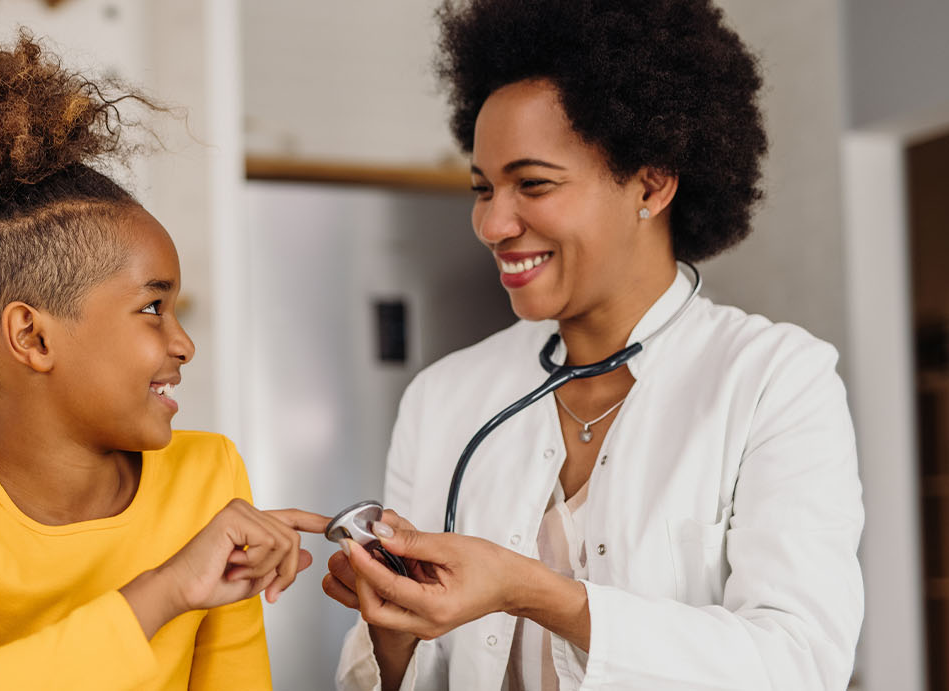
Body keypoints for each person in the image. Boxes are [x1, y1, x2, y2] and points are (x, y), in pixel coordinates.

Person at [321, 1, 864, 689]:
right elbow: (394, 677)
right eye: (483, 188)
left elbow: (798, 662)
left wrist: (534, 591)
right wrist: (391, 633)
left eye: (534, 184)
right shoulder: (444, 396)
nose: (492, 222)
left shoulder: (774, 380)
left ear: (652, 182)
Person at [0, 24, 329, 690]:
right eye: (152, 307)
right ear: (33, 337)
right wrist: (168, 588)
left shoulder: (209, 476)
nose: (184, 343)